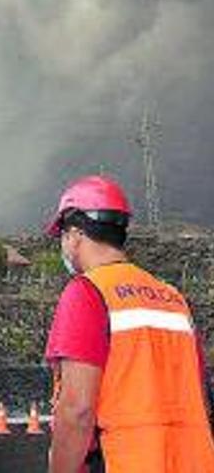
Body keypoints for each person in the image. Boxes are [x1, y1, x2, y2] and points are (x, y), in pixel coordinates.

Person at [45, 175, 214, 472]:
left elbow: (78, 411)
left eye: (62, 236)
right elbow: (199, 395)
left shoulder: (87, 292)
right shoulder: (173, 298)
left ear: (74, 234)